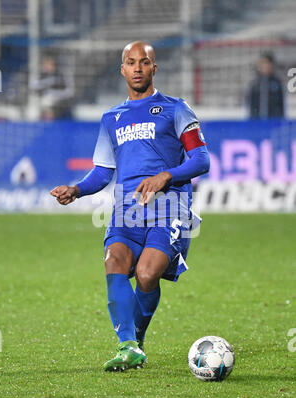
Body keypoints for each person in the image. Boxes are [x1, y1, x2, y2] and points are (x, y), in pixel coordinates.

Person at [50, 41, 210, 372]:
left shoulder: (176, 109)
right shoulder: (112, 118)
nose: (137, 68)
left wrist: (165, 176)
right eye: (130, 62)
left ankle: (136, 338)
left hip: (169, 209)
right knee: (114, 262)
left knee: (147, 274)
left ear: (155, 68)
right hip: (127, 211)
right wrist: (76, 190)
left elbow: (201, 160)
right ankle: (128, 346)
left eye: (144, 62)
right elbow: (104, 172)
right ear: (122, 69)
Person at [30, 55, 74, 120]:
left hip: (60, 104)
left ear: (53, 65)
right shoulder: (42, 76)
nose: (46, 66)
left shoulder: (60, 75)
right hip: (44, 103)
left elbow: (69, 92)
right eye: (45, 64)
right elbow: (33, 86)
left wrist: (54, 94)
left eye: (49, 64)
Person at [247, 52, 284, 119]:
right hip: (257, 123)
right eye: (262, 63)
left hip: (273, 123)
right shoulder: (254, 83)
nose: (265, 66)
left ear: (272, 65)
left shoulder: (277, 83)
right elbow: (251, 105)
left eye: (267, 63)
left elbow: (281, 106)